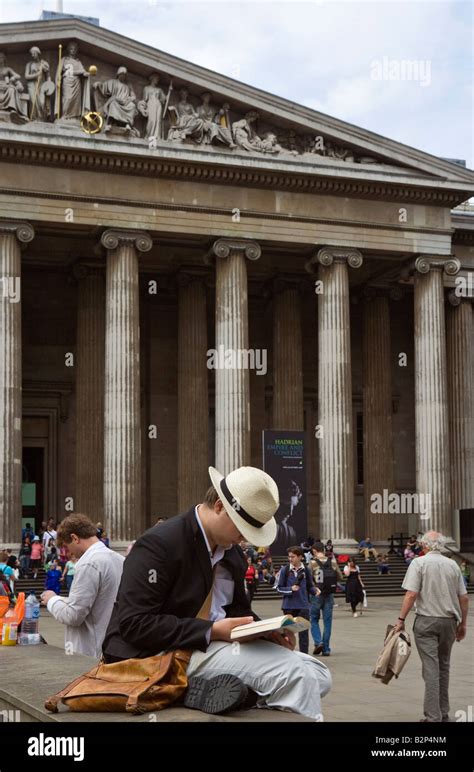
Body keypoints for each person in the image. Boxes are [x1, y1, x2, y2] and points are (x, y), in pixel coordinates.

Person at [102, 466, 332, 720]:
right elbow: (134, 624)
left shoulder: (231, 553)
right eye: (243, 527)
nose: (245, 538)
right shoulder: (159, 544)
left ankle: (206, 692)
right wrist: (211, 630)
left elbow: (237, 610)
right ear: (221, 506)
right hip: (157, 653)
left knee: (320, 675)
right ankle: (195, 688)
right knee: (297, 676)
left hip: (210, 646)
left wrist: (267, 631)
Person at [394, 531, 469, 723]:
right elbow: (464, 597)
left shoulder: (419, 563)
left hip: (427, 620)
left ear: (424, 545)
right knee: (444, 666)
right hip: (449, 621)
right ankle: (443, 712)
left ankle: (433, 716)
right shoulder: (452, 564)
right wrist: (463, 623)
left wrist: (401, 619)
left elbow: (411, 595)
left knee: (430, 668)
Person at [40, 514, 124, 658]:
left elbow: (73, 615)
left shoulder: (88, 563)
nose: (68, 553)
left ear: (75, 538)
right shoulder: (120, 559)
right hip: (114, 646)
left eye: (67, 547)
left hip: (92, 652)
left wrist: (52, 600)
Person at [276, 546, 318, 655]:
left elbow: (309, 586)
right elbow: (279, 588)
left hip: (303, 605)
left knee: (304, 633)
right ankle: (288, 655)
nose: (290, 559)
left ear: (300, 557)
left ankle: (304, 656)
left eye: (293, 557)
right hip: (288, 606)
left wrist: (315, 591)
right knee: (288, 633)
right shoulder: (285, 570)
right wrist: (290, 589)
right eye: (289, 557)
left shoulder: (306, 570)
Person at [309, 541, 343, 656]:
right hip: (329, 594)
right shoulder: (332, 561)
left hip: (316, 594)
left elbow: (308, 580)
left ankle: (318, 642)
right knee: (327, 622)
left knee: (313, 619)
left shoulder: (312, 563)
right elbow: (340, 577)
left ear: (314, 551)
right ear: (323, 550)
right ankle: (326, 648)